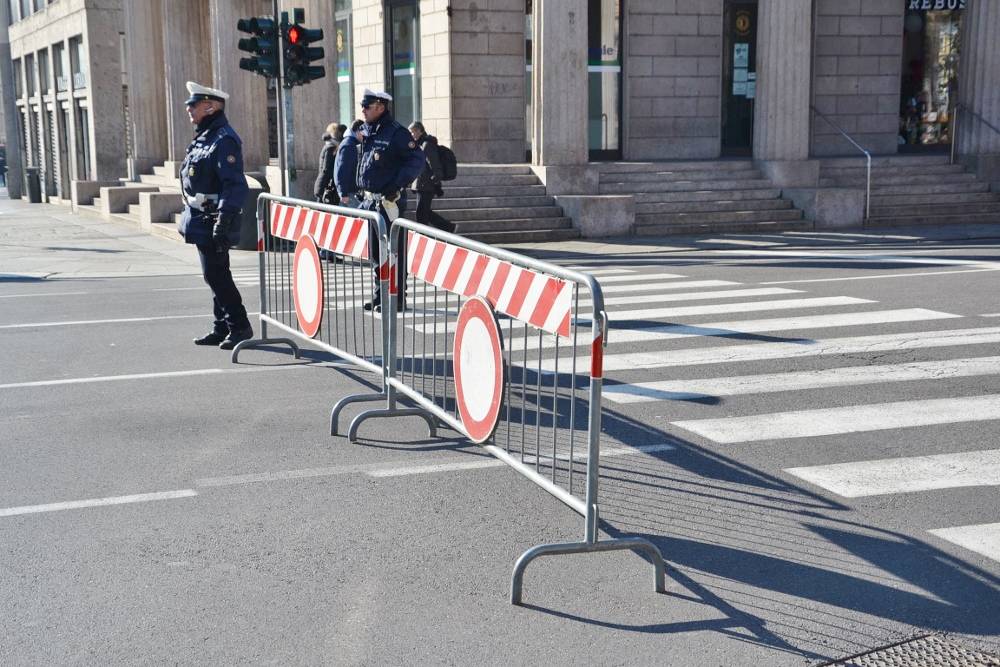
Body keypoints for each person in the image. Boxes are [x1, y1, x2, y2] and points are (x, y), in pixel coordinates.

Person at [177, 81, 253, 350]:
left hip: (214, 219)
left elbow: (234, 184)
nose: (188, 108)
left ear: (210, 106)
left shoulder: (224, 139)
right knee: (214, 275)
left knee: (217, 275)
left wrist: (224, 220)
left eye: (193, 104)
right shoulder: (205, 136)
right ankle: (221, 327)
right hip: (200, 217)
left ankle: (239, 326)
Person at [355, 89, 425, 312]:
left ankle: (396, 297)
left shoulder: (397, 133)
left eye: (367, 106)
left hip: (388, 202)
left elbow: (416, 160)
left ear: (380, 107)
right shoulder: (369, 132)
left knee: (393, 251)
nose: (363, 110)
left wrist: (396, 185)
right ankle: (379, 295)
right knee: (376, 254)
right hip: (370, 202)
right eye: (362, 106)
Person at [408, 122, 455, 233]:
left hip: (426, 184)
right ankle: (448, 227)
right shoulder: (420, 144)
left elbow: (434, 164)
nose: (411, 135)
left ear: (419, 131)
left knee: (422, 213)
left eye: (412, 132)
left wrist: (436, 181)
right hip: (422, 184)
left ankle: (425, 234)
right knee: (424, 212)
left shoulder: (426, 145)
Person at [334, 119, 364, 208]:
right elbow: (342, 170)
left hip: (349, 191)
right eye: (364, 132)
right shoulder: (349, 145)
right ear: (358, 131)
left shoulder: (350, 143)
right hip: (349, 193)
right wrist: (343, 193)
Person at [313, 122, 346, 204]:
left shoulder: (330, 147)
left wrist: (319, 188)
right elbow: (327, 169)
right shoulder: (334, 147)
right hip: (329, 185)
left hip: (326, 185)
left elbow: (325, 169)